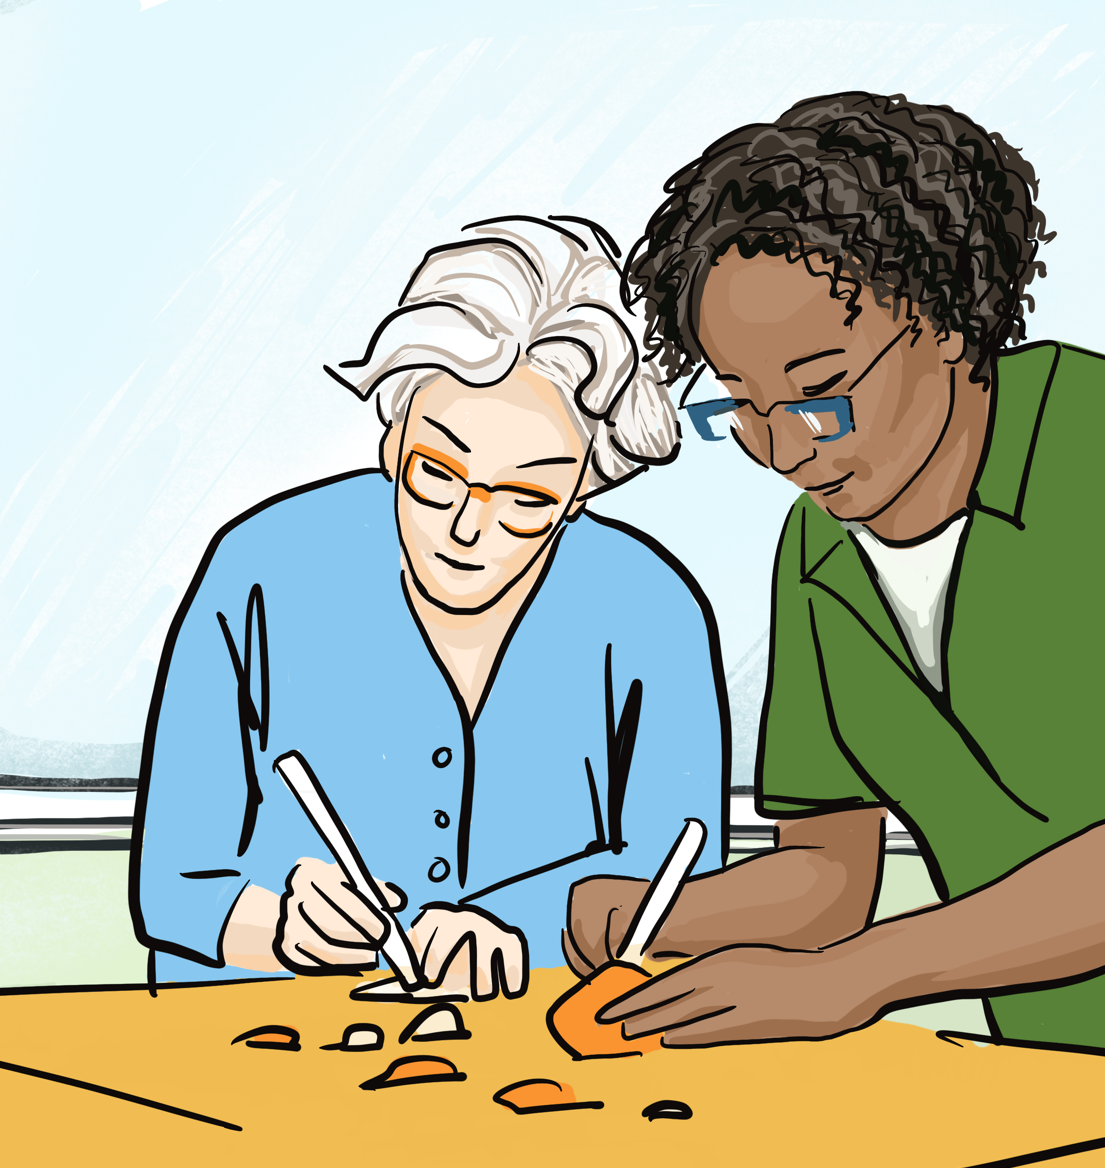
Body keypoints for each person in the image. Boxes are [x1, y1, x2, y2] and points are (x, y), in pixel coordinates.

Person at [566, 93, 1105, 1079]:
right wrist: (634, 914)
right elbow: (828, 879)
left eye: (820, 389)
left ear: (946, 314)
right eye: (742, 405)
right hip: (1058, 1086)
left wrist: (854, 980)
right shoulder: (816, 553)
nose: (781, 449)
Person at [130, 216, 728, 998]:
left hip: (536, 1053)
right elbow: (172, 885)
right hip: (265, 1043)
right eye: (436, 472)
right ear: (392, 433)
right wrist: (274, 924)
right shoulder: (263, 568)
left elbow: (680, 883)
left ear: (585, 483)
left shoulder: (652, 610)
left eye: (527, 496)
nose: (469, 527)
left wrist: (522, 927)